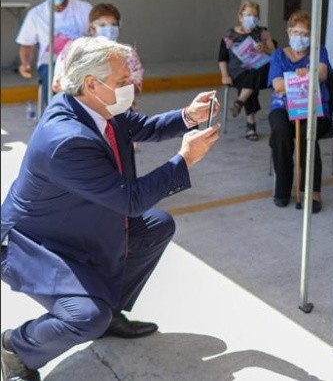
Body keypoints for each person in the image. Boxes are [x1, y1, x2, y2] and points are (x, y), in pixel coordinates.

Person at [0, 37, 220, 381]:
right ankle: (17, 348)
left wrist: (187, 116)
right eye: (121, 81)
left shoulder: (95, 105)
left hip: (75, 224)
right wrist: (185, 159)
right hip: (33, 243)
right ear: (91, 84)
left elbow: (141, 126)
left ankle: (110, 310)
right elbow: (131, 200)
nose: (130, 86)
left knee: (156, 227)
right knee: (86, 316)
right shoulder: (66, 139)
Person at [267, 10, 332, 213]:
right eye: (295, 32)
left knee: (307, 135)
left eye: (304, 34)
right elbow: (277, 85)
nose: (299, 37)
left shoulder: (319, 52)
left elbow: (321, 73)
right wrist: (299, 78)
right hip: (283, 106)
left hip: (314, 108)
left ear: (311, 36)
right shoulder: (279, 55)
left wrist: (308, 75)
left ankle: (313, 191)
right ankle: (283, 187)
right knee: (280, 133)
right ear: (288, 33)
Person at [16, 0, 92, 116]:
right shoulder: (36, 14)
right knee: (53, 80)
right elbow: (27, 45)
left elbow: (97, 34)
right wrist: (25, 63)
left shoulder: (84, 8)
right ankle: (56, 118)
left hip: (82, 60)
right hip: (51, 62)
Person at [218, 0, 275, 141]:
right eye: (248, 14)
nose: (252, 18)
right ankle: (250, 123)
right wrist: (225, 75)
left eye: (255, 16)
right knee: (249, 82)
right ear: (240, 16)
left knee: (254, 73)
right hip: (238, 73)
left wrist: (266, 49)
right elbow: (222, 58)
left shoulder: (263, 33)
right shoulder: (230, 35)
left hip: (261, 72)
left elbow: (275, 54)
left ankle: (240, 103)